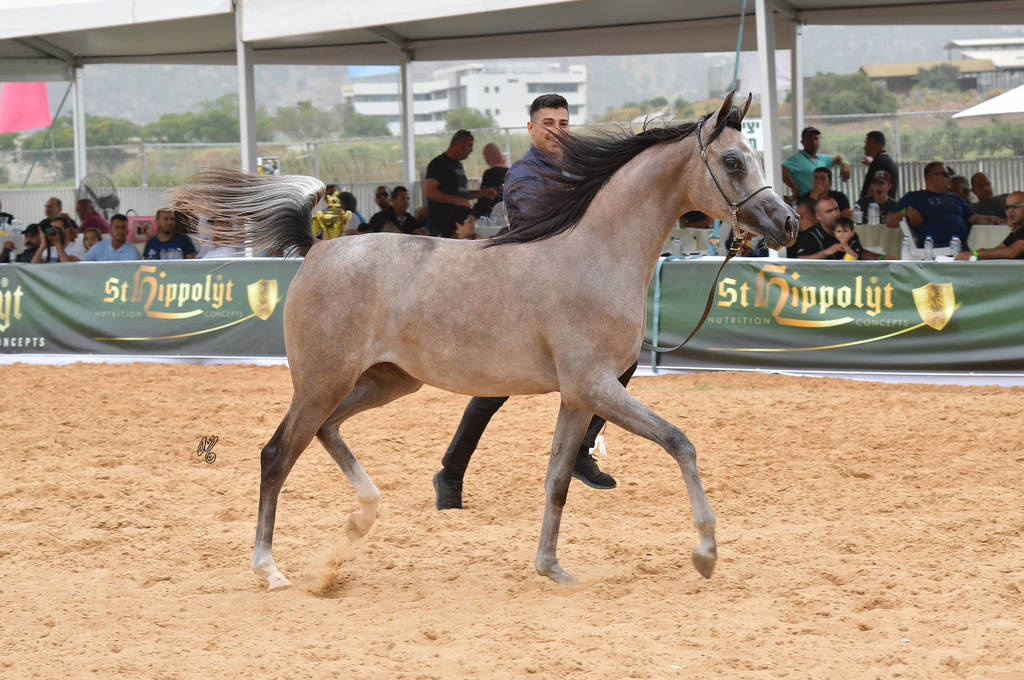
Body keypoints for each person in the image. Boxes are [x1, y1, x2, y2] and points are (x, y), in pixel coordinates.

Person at [433, 93, 633, 511]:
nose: (557, 129)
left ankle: (580, 448)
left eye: (563, 122)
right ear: (531, 128)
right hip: (522, 295)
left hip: (568, 294)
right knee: (492, 392)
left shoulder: (578, 166)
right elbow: (534, 229)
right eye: (548, 123)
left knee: (625, 360)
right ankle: (451, 471)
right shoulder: (523, 173)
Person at [886, 162, 1003, 250]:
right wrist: (905, 211)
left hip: (963, 248)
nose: (949, 178)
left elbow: (974, 218)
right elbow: (889, 221)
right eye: (946, 174)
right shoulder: (915, 197)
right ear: (932, 177)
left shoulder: (955, 198)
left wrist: (991, 219)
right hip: (935, 249)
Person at [424, 129, 496, 237]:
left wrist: (483, 193)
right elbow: (430, 191)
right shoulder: (438, 164)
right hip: (440, 226)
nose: (471, 150)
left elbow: (461, 194)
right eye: (469, 145)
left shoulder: (458, 165)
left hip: (457, 226)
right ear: (459, 143)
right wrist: (457, 200)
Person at [781, 126, 850, 198]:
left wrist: (845, 164)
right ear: (802, 142)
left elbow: (839, 157)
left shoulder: (823, 158)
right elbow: (781, 169)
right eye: (809, 139)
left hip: (824, 201)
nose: (813, 142)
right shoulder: (796, 159)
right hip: (806, 202)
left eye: (816, 139)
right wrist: (795, 188)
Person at [956, 191, 1024, 260]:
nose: (1010, 211)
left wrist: (975, 254)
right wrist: (975, 253)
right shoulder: (1016, 233)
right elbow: (998, 251)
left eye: (1015, 206)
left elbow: (1011, 252)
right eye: (1007, 208)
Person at [472, 142, 509, 217]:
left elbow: (484, 198)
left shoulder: (489, 174)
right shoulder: (511, 171)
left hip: (492, 214)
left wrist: (473, 212)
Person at [859, 130, 898, 199]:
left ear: (873, 143)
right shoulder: (885, 160)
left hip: (877, 208)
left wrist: (863, 205)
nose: (864, 147)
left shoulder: (878, 163)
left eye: (866, 143)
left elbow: (872, 191)